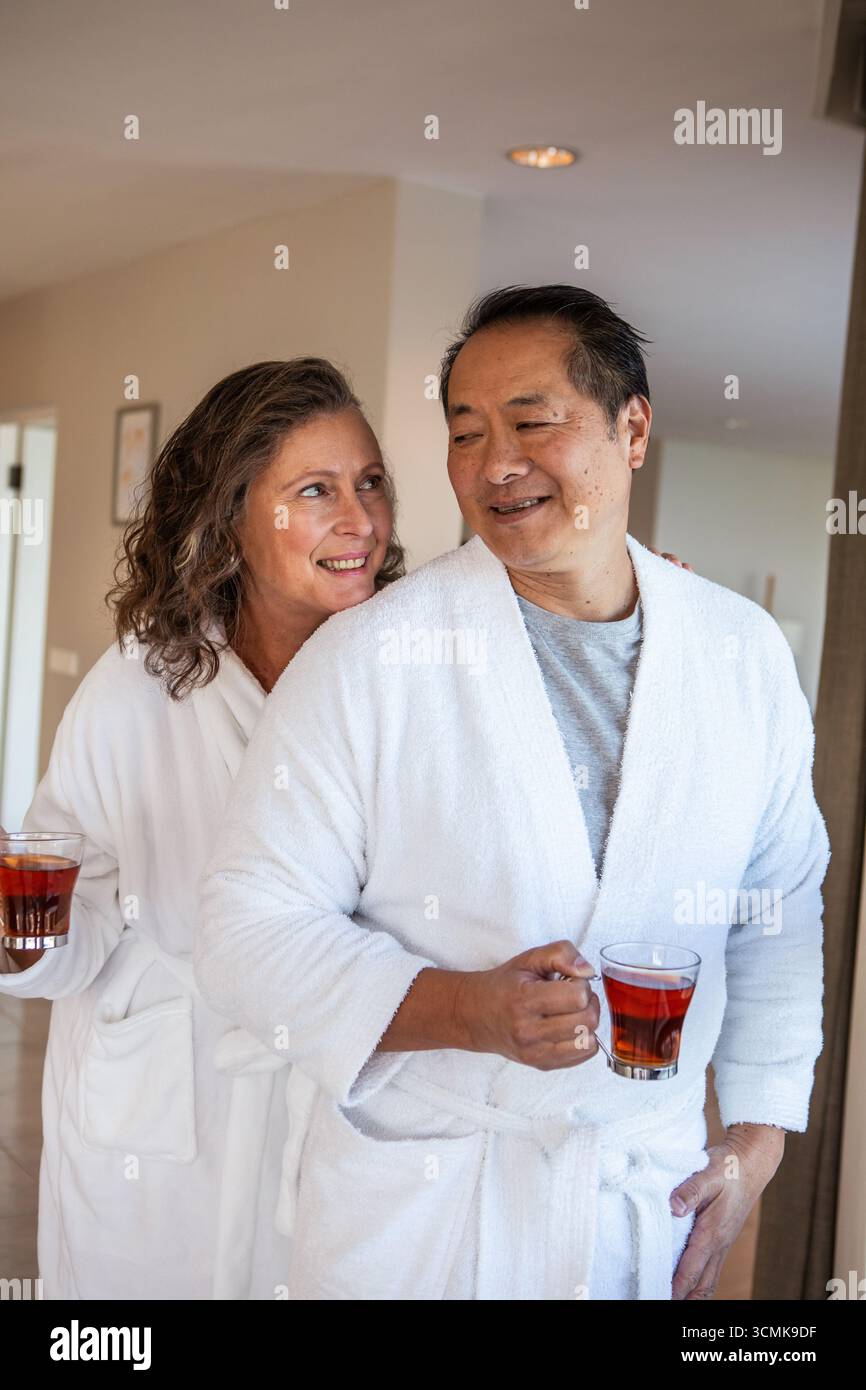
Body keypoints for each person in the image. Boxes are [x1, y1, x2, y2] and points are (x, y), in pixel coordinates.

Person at [196, 285, 830, 1302]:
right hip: (427, 1218)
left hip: (634, 1210)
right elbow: (242, 929)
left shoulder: (738, 654)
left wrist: (753, 1141)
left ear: (632, 427)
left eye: (531, 423)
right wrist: (464, 1009)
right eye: (463, 433)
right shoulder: (368, 660)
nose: (494, 465)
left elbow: (777, 912)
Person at [0, 358, 404, 1298]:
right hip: (155, 1122)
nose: (362, 521)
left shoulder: (408, 673)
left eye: (370, 483)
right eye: (316, 491)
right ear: (232, 516)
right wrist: (24, 933)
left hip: (332, 1113)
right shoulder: (137, 688)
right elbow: (70, 918)